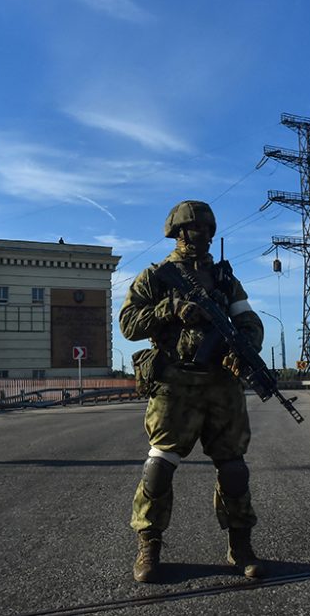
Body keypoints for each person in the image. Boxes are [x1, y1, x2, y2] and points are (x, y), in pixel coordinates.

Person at [119, 200, 267, 583]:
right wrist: (169, 309)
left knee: (234, 469)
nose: (200, 237)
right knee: (159, 468)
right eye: (192, 230)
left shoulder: (224, 279)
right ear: (177, 233)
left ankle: (241, 547)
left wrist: (244, 348)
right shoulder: (157, 276)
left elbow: (248, 321)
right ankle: (148, 546)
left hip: (221, 385)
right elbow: (128, 323)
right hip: (175, 384)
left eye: (205, 231)